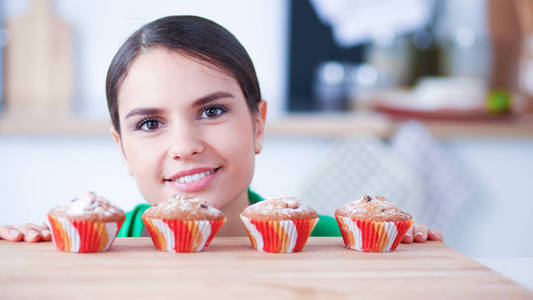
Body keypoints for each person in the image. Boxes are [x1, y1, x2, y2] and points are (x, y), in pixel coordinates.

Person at [0, 15, 442, 243]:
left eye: (211, 112)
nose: (185, 146)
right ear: (123, 150)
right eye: (150, 123)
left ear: (258, 124)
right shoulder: (102, 244)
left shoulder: (335, 242)